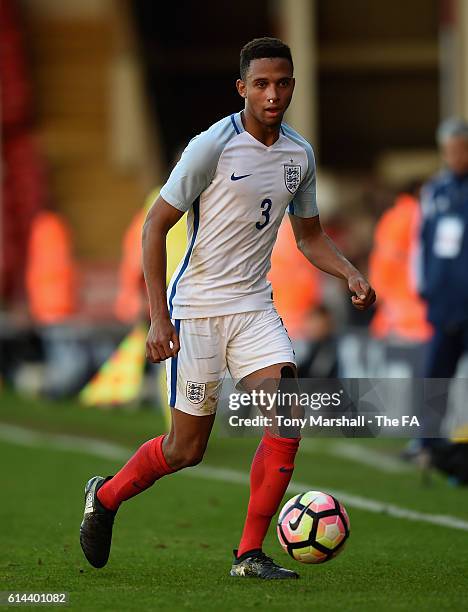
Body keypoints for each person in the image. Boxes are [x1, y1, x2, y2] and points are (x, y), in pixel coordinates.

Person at [80, 37, 375, 580]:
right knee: (185, 449)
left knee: (286, 420)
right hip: (195, 308)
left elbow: (309, 237)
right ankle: (107, 497)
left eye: (282, 83)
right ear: (242, 88)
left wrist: (350, 271)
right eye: (261, 84)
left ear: (292, 85)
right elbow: (155, 226)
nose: (273, 93)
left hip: (253, 308)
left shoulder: (299, 155)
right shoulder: (211, 147)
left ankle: (249, 555)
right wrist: (157, 317)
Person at [418, 118, 468, 452]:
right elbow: (421, 242)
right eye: (448, 150)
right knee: (434, 377)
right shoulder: (434, 190)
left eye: (460, 149)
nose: (454, 156)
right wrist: (426, 286)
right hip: (443, 301)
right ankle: (428, 443)